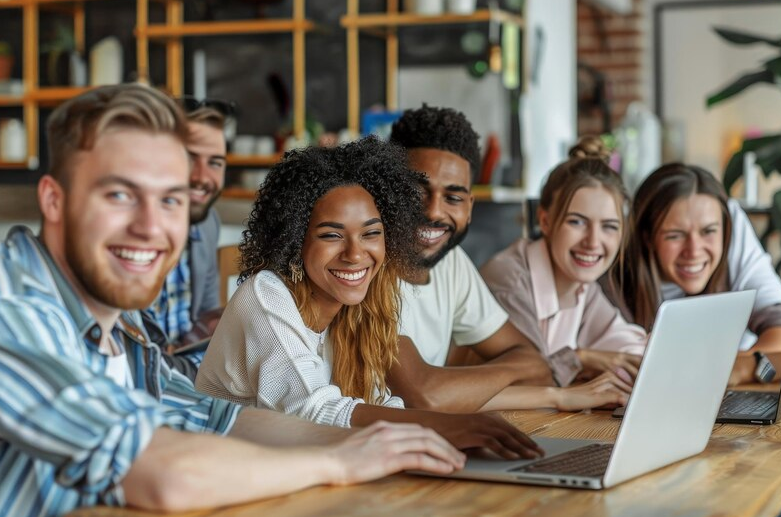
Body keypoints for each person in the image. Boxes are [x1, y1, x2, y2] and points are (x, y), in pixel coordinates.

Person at [0, 84, 467, 516]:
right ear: (54, 201)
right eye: (120, 195)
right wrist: (336, 461)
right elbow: (163, 473)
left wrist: (397, 442)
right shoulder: (13, 307)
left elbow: (222, 418)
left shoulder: (126, 329)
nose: (150, 226)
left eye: (169, 200)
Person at [195, 137, 543, 459]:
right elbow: (311, 411)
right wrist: (446, 426)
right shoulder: (265, 294)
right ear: (295, 241)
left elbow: (382, 405)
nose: (355, 254)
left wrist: (463, 431)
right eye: (332, 235)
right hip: (220, 482)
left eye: (371, 233)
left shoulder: (361, 308)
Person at [386, 104, 629, 413]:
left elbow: (535, 367)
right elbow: (424, 396)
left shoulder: (453, 263)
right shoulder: (366, 268)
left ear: (470, 205)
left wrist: (556, 394)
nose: (434, 211)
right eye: (415, 192)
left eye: (453, 197)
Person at [612, 162, 781, 385]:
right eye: (675, 235)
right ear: (647, 236)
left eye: (708, 231)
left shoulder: (731, 223)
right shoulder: (615, 269)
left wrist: (742, 368)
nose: (694, 251)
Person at [480, 156, 647, 388]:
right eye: (577, 222)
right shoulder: (509, 281)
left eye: (609, 226)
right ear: (545, 221)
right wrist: (581, 359)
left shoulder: (581, 286)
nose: (593, 242)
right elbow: (528, 378)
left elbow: (626, 346)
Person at [144, 99, 232, 376]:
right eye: (190, 158)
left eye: (215, 163)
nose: (202, 177)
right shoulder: (130, 232)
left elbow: (204, 316)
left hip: (187, 371)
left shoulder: (206, 224)